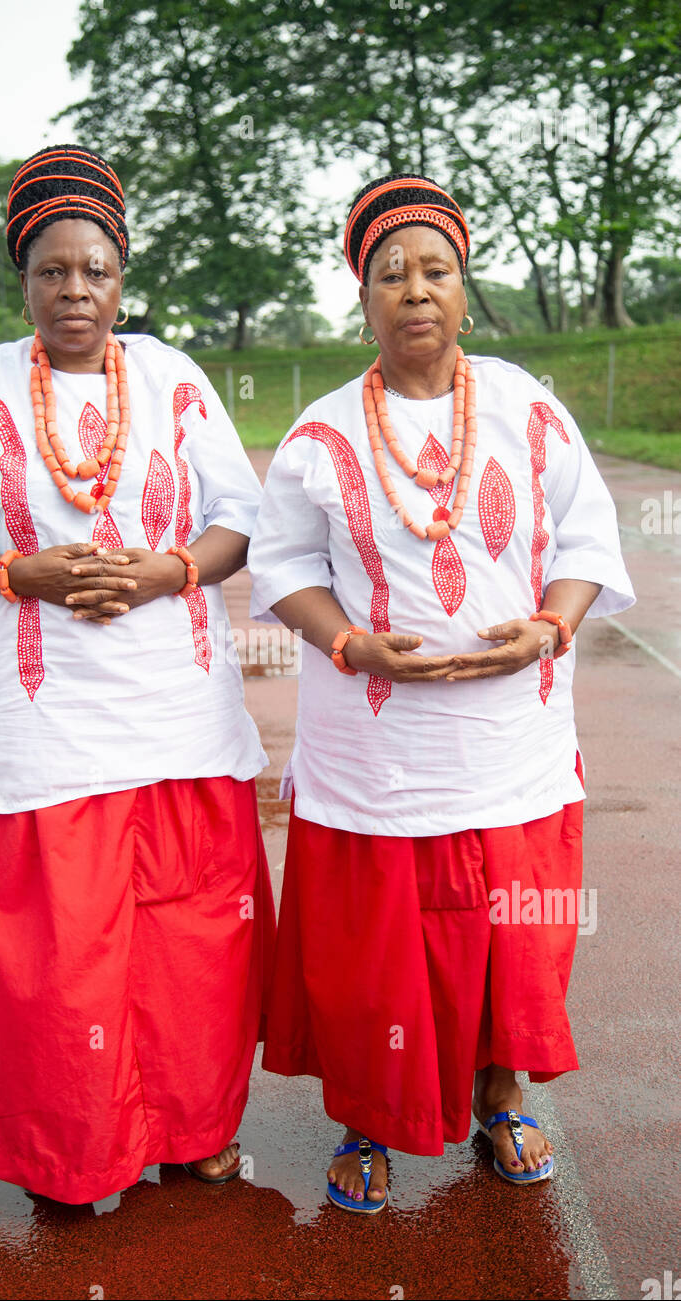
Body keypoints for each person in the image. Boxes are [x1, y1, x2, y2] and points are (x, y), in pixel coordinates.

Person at [0, 145, 275, 1204]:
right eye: (52, 271)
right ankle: (71, 1159)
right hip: (41, 729)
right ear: (23, 278)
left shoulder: (174, 379)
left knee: (190, 937)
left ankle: (194, 1129)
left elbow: (241, 518)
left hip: (176, 716)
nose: (74, 291)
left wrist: (168, 570)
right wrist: (26, 572)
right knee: (61, 965)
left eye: (94, 270)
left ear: (121, 276)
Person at [248, 175, 635, 1212]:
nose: (414, 290)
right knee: (374, 942)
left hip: (508, 736)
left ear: (464, 288)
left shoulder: (526, 406)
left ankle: (502, 1090)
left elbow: (589, 538)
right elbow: (280, 568)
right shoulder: (321, 434)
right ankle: (366, 1113)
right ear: (361, 298)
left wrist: (549, 625)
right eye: (390, 274)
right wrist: (353, 646)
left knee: (512, 932)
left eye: (435, 270)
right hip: (373, 746)